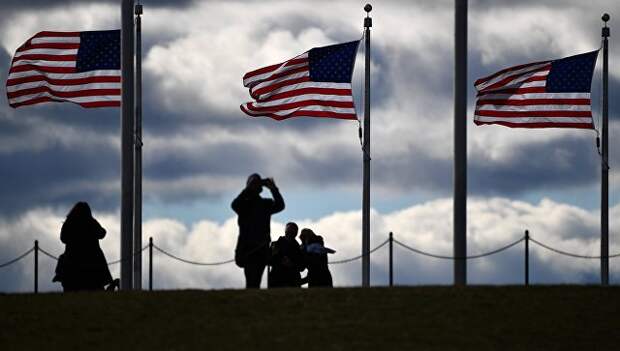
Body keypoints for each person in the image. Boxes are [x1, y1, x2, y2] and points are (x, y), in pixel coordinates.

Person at [231, 174, 285, 288]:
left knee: (254, 280)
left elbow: (280, 205)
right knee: (252, 280)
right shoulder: (244, 205)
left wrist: (273, 189)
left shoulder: (265, 204)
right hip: (249, 248)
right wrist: (249, 188)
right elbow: (234, 205)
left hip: (259, 247)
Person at [52, 202, 116, 292]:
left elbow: (63, 238)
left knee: (63, 260)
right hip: (92, 258)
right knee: (99, 258)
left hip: (72, 258)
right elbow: (102, 233)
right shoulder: (91, 222)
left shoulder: (69, 222)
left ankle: (61, 278)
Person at [268, 222, 305, 287]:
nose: (290, 233)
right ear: (285, 231)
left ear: (296, 233)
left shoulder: (300, 249)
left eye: (293, 231)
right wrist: (279, 260)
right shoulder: (275, 244)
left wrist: (292, 264)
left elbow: (302, 267)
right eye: (288, 230)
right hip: (276, 280)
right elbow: (269, 261)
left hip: (293, 281)